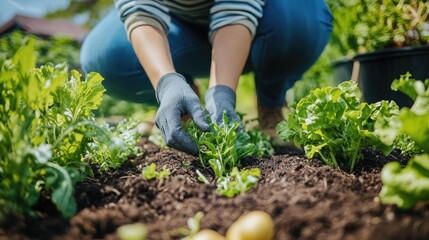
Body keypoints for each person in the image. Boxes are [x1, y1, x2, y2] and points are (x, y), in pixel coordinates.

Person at [80, 0, 333, 155]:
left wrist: (222, 91)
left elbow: (236, 7)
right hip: (178, 26)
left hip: (264, 20)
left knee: (301, 22)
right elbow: (141, 9)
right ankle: (182, 97)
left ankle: (271, 102)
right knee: (104, 58)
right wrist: (166, 82)